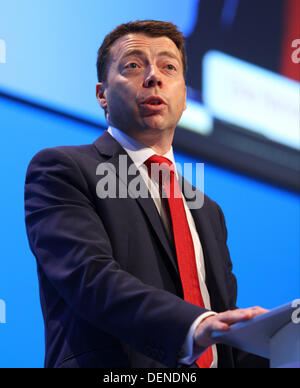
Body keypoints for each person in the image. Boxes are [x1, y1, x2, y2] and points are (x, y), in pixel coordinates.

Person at [24, 20, 268, 368]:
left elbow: (222, 331)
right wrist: (194, 325)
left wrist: (277, 346)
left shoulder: (207, 210)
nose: (154, 77)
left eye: (169, 67)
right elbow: (90, 277)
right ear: (102, 94)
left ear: (184, 96)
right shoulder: (64, 169)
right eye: (134, 65)